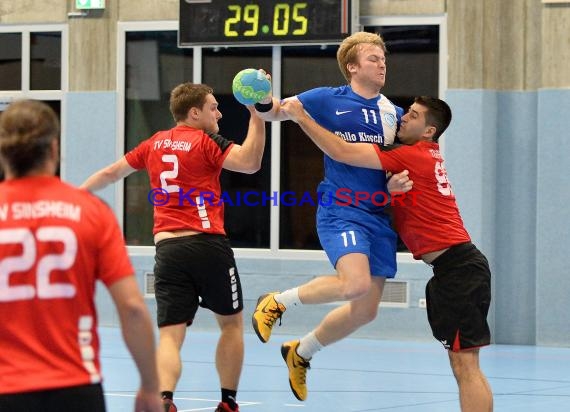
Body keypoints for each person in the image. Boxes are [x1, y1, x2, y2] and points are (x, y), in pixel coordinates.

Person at [281, 95, 493, 412]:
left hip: (460, 270)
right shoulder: (423, 157)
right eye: (406, 112)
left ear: (428, 131)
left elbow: (340, 151)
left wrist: (301, 116)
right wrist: (389, 194)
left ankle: (281, 305)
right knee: (462, 364)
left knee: (466, 366)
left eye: (414, 116)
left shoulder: (411, 156)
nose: (404, 118)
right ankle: (302, 350)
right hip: (453, 269)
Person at [80, 82, 266, 412]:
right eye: (213, 107)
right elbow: (250, 162)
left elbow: (112, 173)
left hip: (167, 250)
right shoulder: (205, 140)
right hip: (208, 244)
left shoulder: (154, 143)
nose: (219, 112)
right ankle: (227, 402)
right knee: (232, 325)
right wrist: (256, 114)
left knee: (170, 335)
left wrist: (76, 196)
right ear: (194, 113)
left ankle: (164, 399)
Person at [251, 31, 410, 401]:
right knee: (353, 284)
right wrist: (262, 98)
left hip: (378, 216)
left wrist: (397, 182)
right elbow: (279, 111)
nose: (382, 63)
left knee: (365, 310)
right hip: (342, 209)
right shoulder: (326, 99)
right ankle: (277, 301)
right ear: (352, 67)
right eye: (373, 58)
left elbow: (397, 164)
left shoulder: (394, 114)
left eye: (384, 57)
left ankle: (301, 352)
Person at [0, 100, 162, 412]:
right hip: (75, 387)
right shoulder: (90, 212)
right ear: (53, 149)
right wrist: (150, 387)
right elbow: (132, 309)